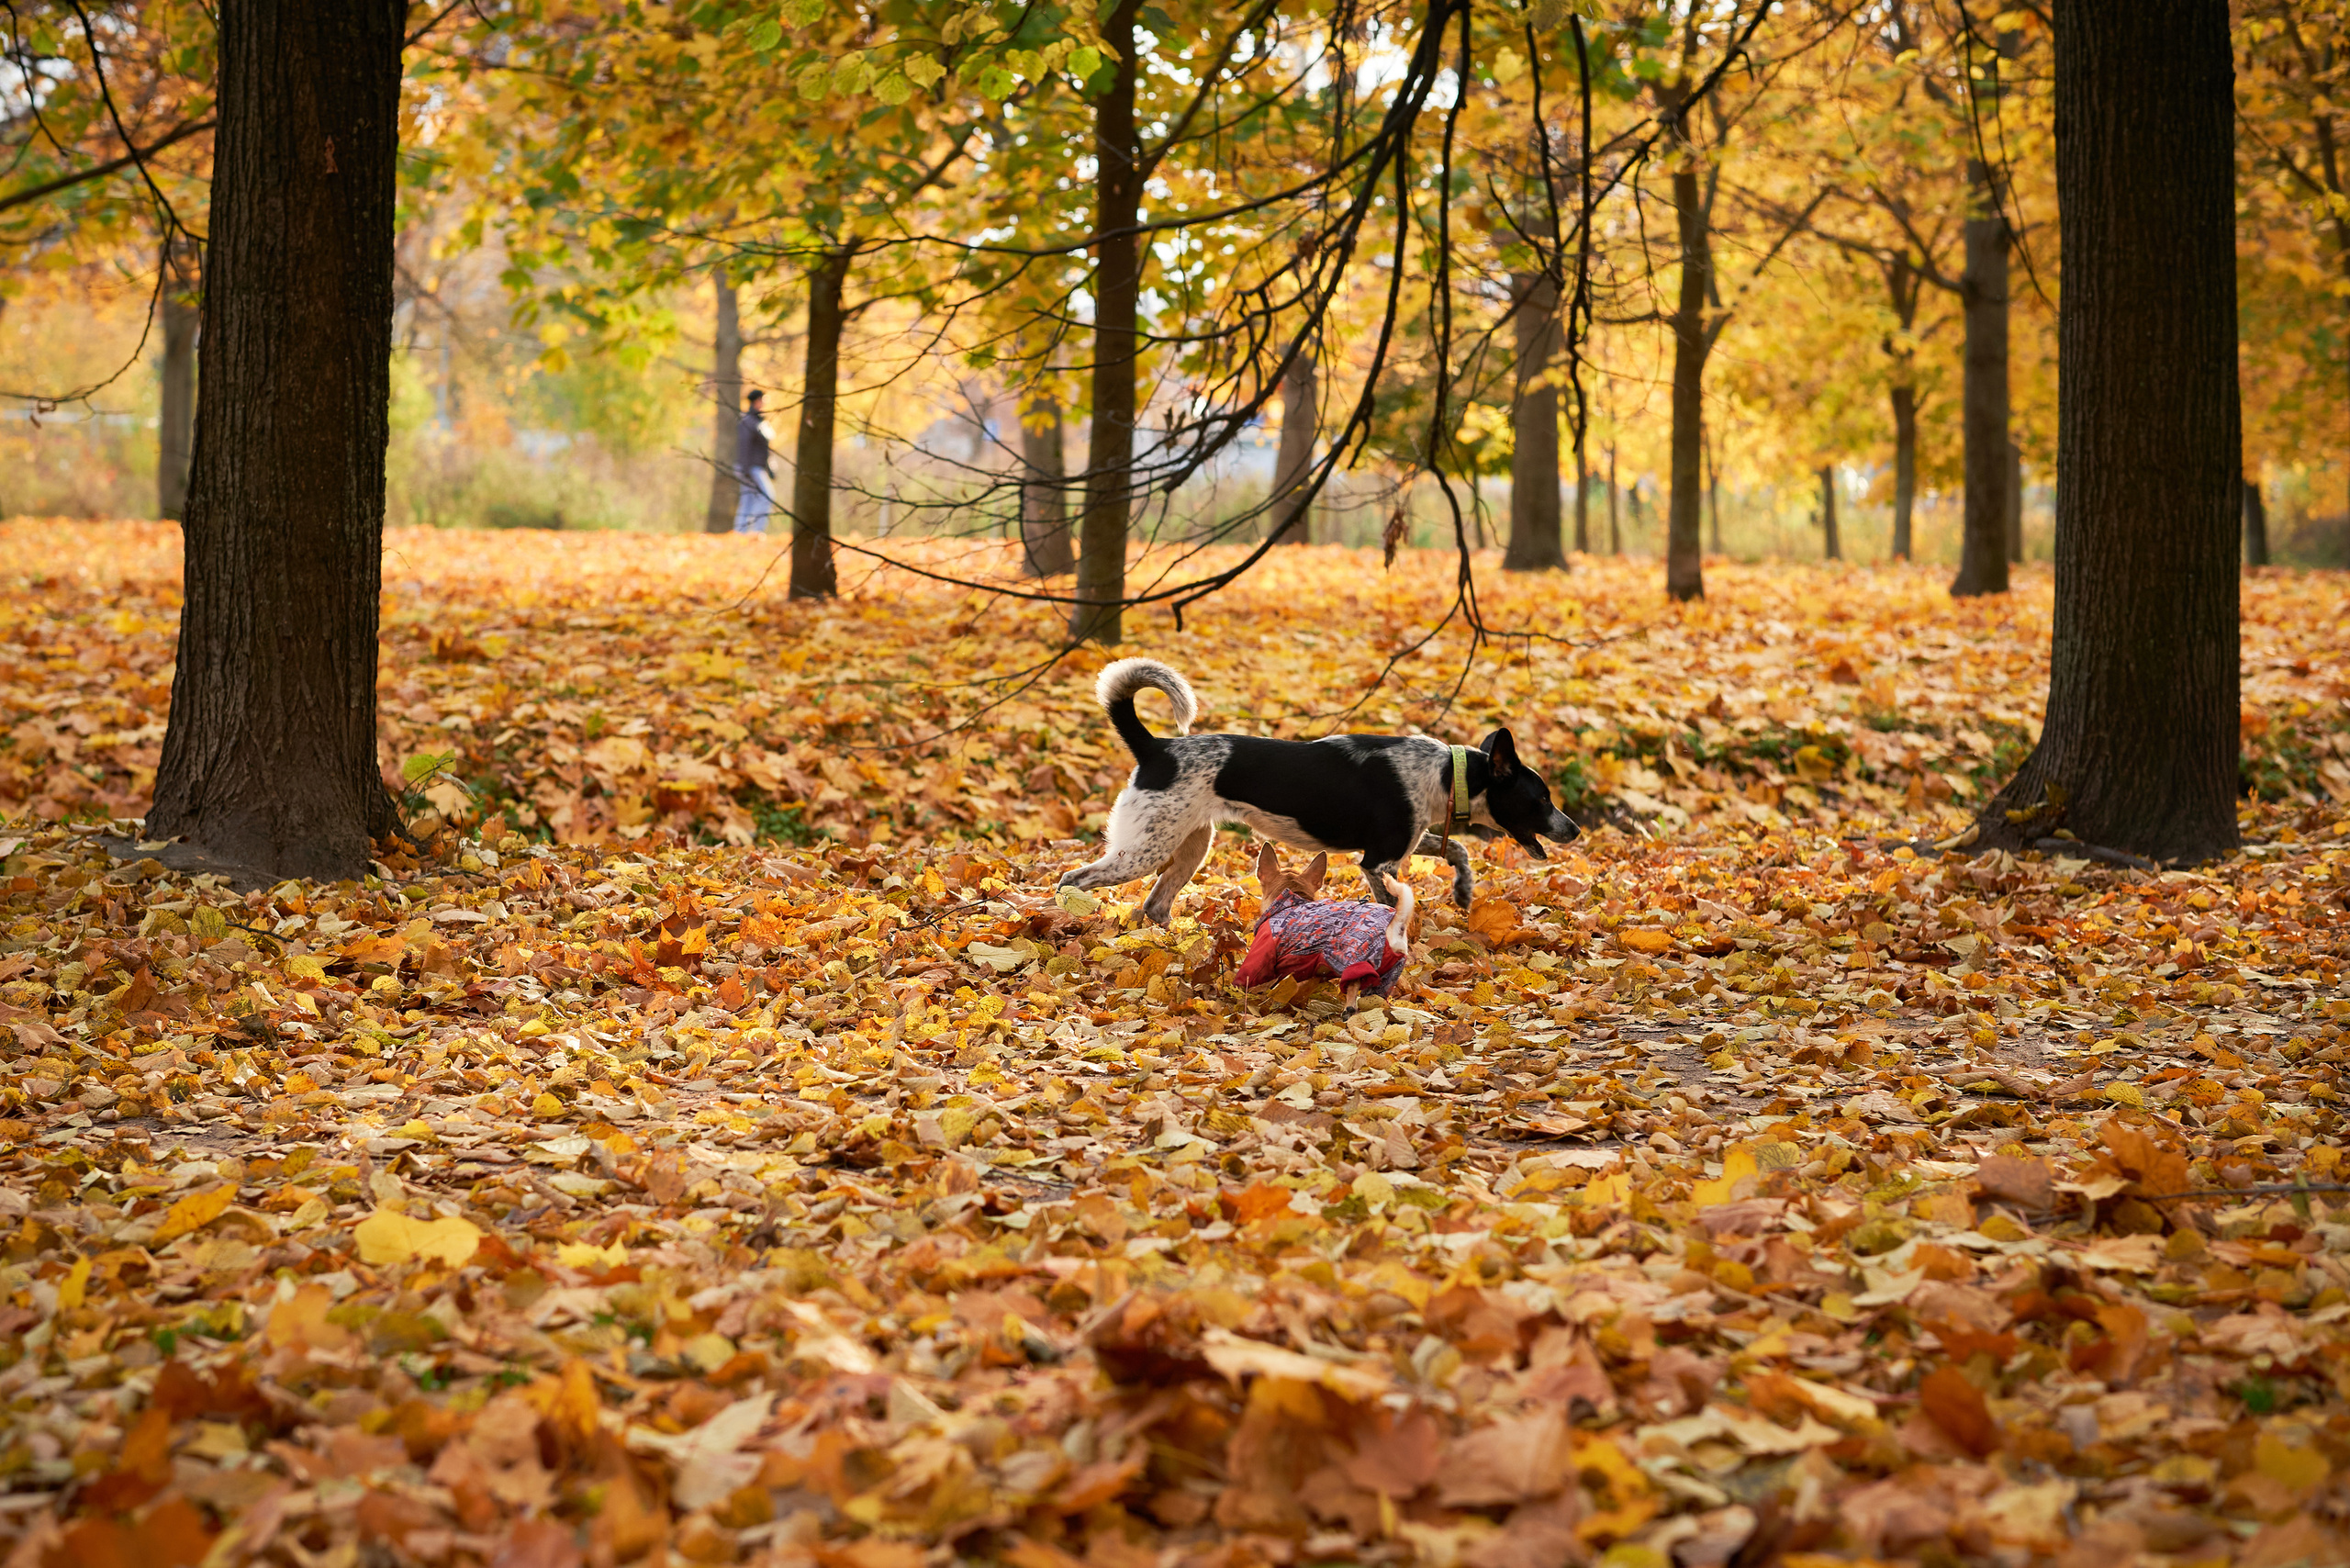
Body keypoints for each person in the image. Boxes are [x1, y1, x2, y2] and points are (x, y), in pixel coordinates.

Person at [733, 388, 775, 534]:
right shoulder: (748, 421)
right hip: (751, 468)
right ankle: (755, 532)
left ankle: (741, 532)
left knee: (748, 499)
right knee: (766, 496)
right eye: (763, 400)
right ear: (757, 400)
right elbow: (744, 447)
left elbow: (765, 449)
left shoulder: (759, 421)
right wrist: (744, 470)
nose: (764, 403)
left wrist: (770, 468)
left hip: (756, 467)